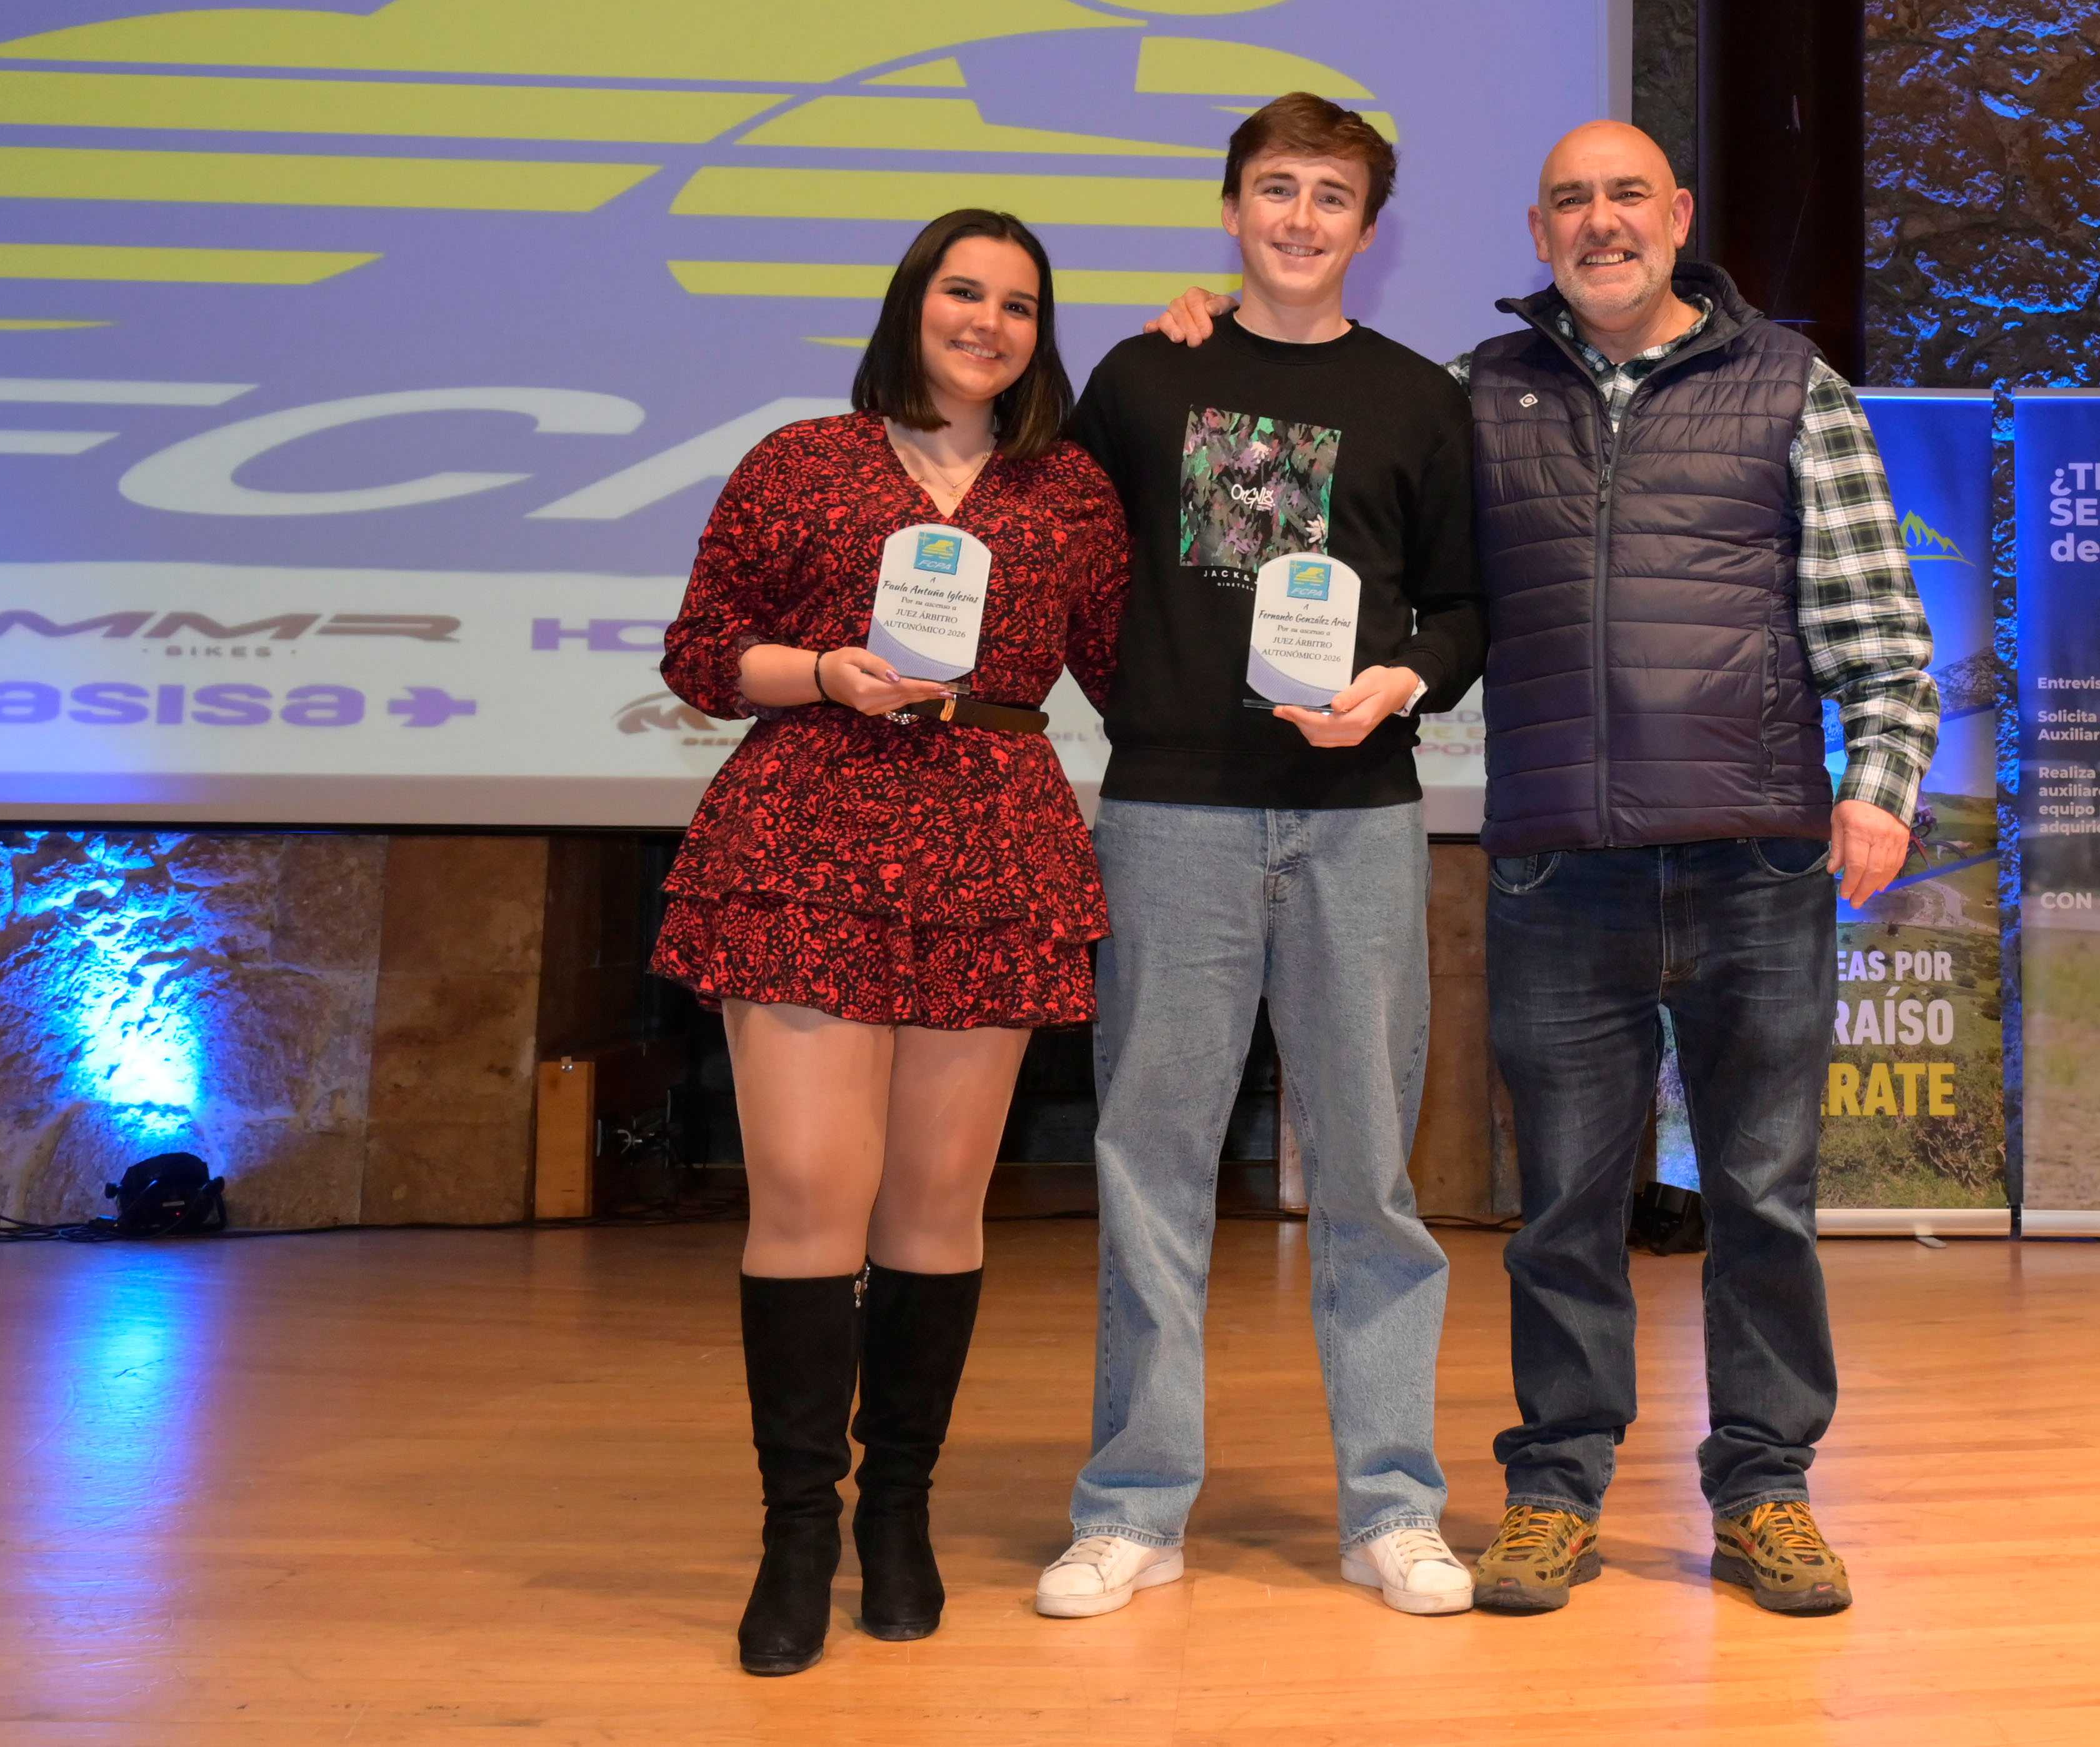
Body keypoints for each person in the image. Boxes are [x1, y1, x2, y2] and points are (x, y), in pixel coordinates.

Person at [1143, 119, 1935, 1618]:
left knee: (1761, 1195)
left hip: (1755, 860)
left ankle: (1766, 1489)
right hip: (1557, 871)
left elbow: (1883, 638)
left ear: (1676, 213)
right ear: (1536, 228)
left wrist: (1879, 792)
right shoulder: (1470, 399)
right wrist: (1207, 346)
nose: (1600, 222)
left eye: (1626, 194)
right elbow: (1327, 536)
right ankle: (1556, 1491)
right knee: (1562, 1205)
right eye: (1570, 200)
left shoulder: (1791, 387)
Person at [651, 207, 1129, 1675]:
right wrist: (821, 672)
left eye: (1019, 303)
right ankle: (798, 1526)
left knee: (934, 1204)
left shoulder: (1072, 495)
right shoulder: (801, 459)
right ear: (911, 304)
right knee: (806, 1187)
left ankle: (897, 1516)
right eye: (961, 291)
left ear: (1041, 333)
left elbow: (1129, 668)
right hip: (808, 822)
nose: (987, 320)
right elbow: (698, 651)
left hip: (992, 842)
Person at [1033, 93, 1489, 1621]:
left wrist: (1399, 682)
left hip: (1358, 814)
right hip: (1169, 815)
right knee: (1149, 1160)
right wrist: (1148, 710)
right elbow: (1066, 566)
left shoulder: (1422, 398)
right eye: (1276, 190)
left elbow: (1463, 608)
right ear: (1230, 209)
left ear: (1370, 226)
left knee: (1369, 1173)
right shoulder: (1145, 376)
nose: (1302, 218)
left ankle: (1392, 1507)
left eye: (1334, 196)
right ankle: (1134, 1507)